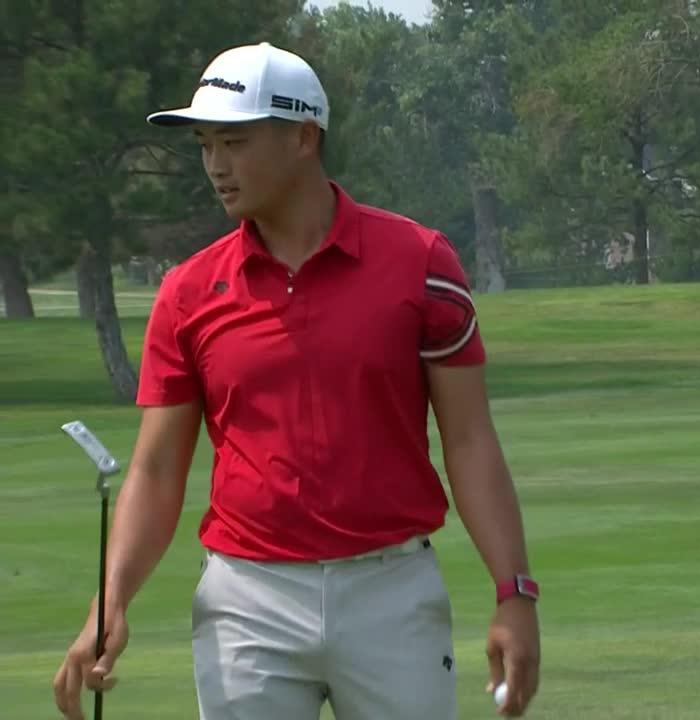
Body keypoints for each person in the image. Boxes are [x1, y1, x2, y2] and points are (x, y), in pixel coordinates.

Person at [51, 42, 540, 720]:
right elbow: (158, 469)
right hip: (246, 604)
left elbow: (470, 442)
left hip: (392, 590)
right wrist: (112, 602)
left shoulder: (421, 263)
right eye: (205, 145)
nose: (216, 166)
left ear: (304, 137)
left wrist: (513, 592)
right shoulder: (188, 292)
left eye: (236, 142)